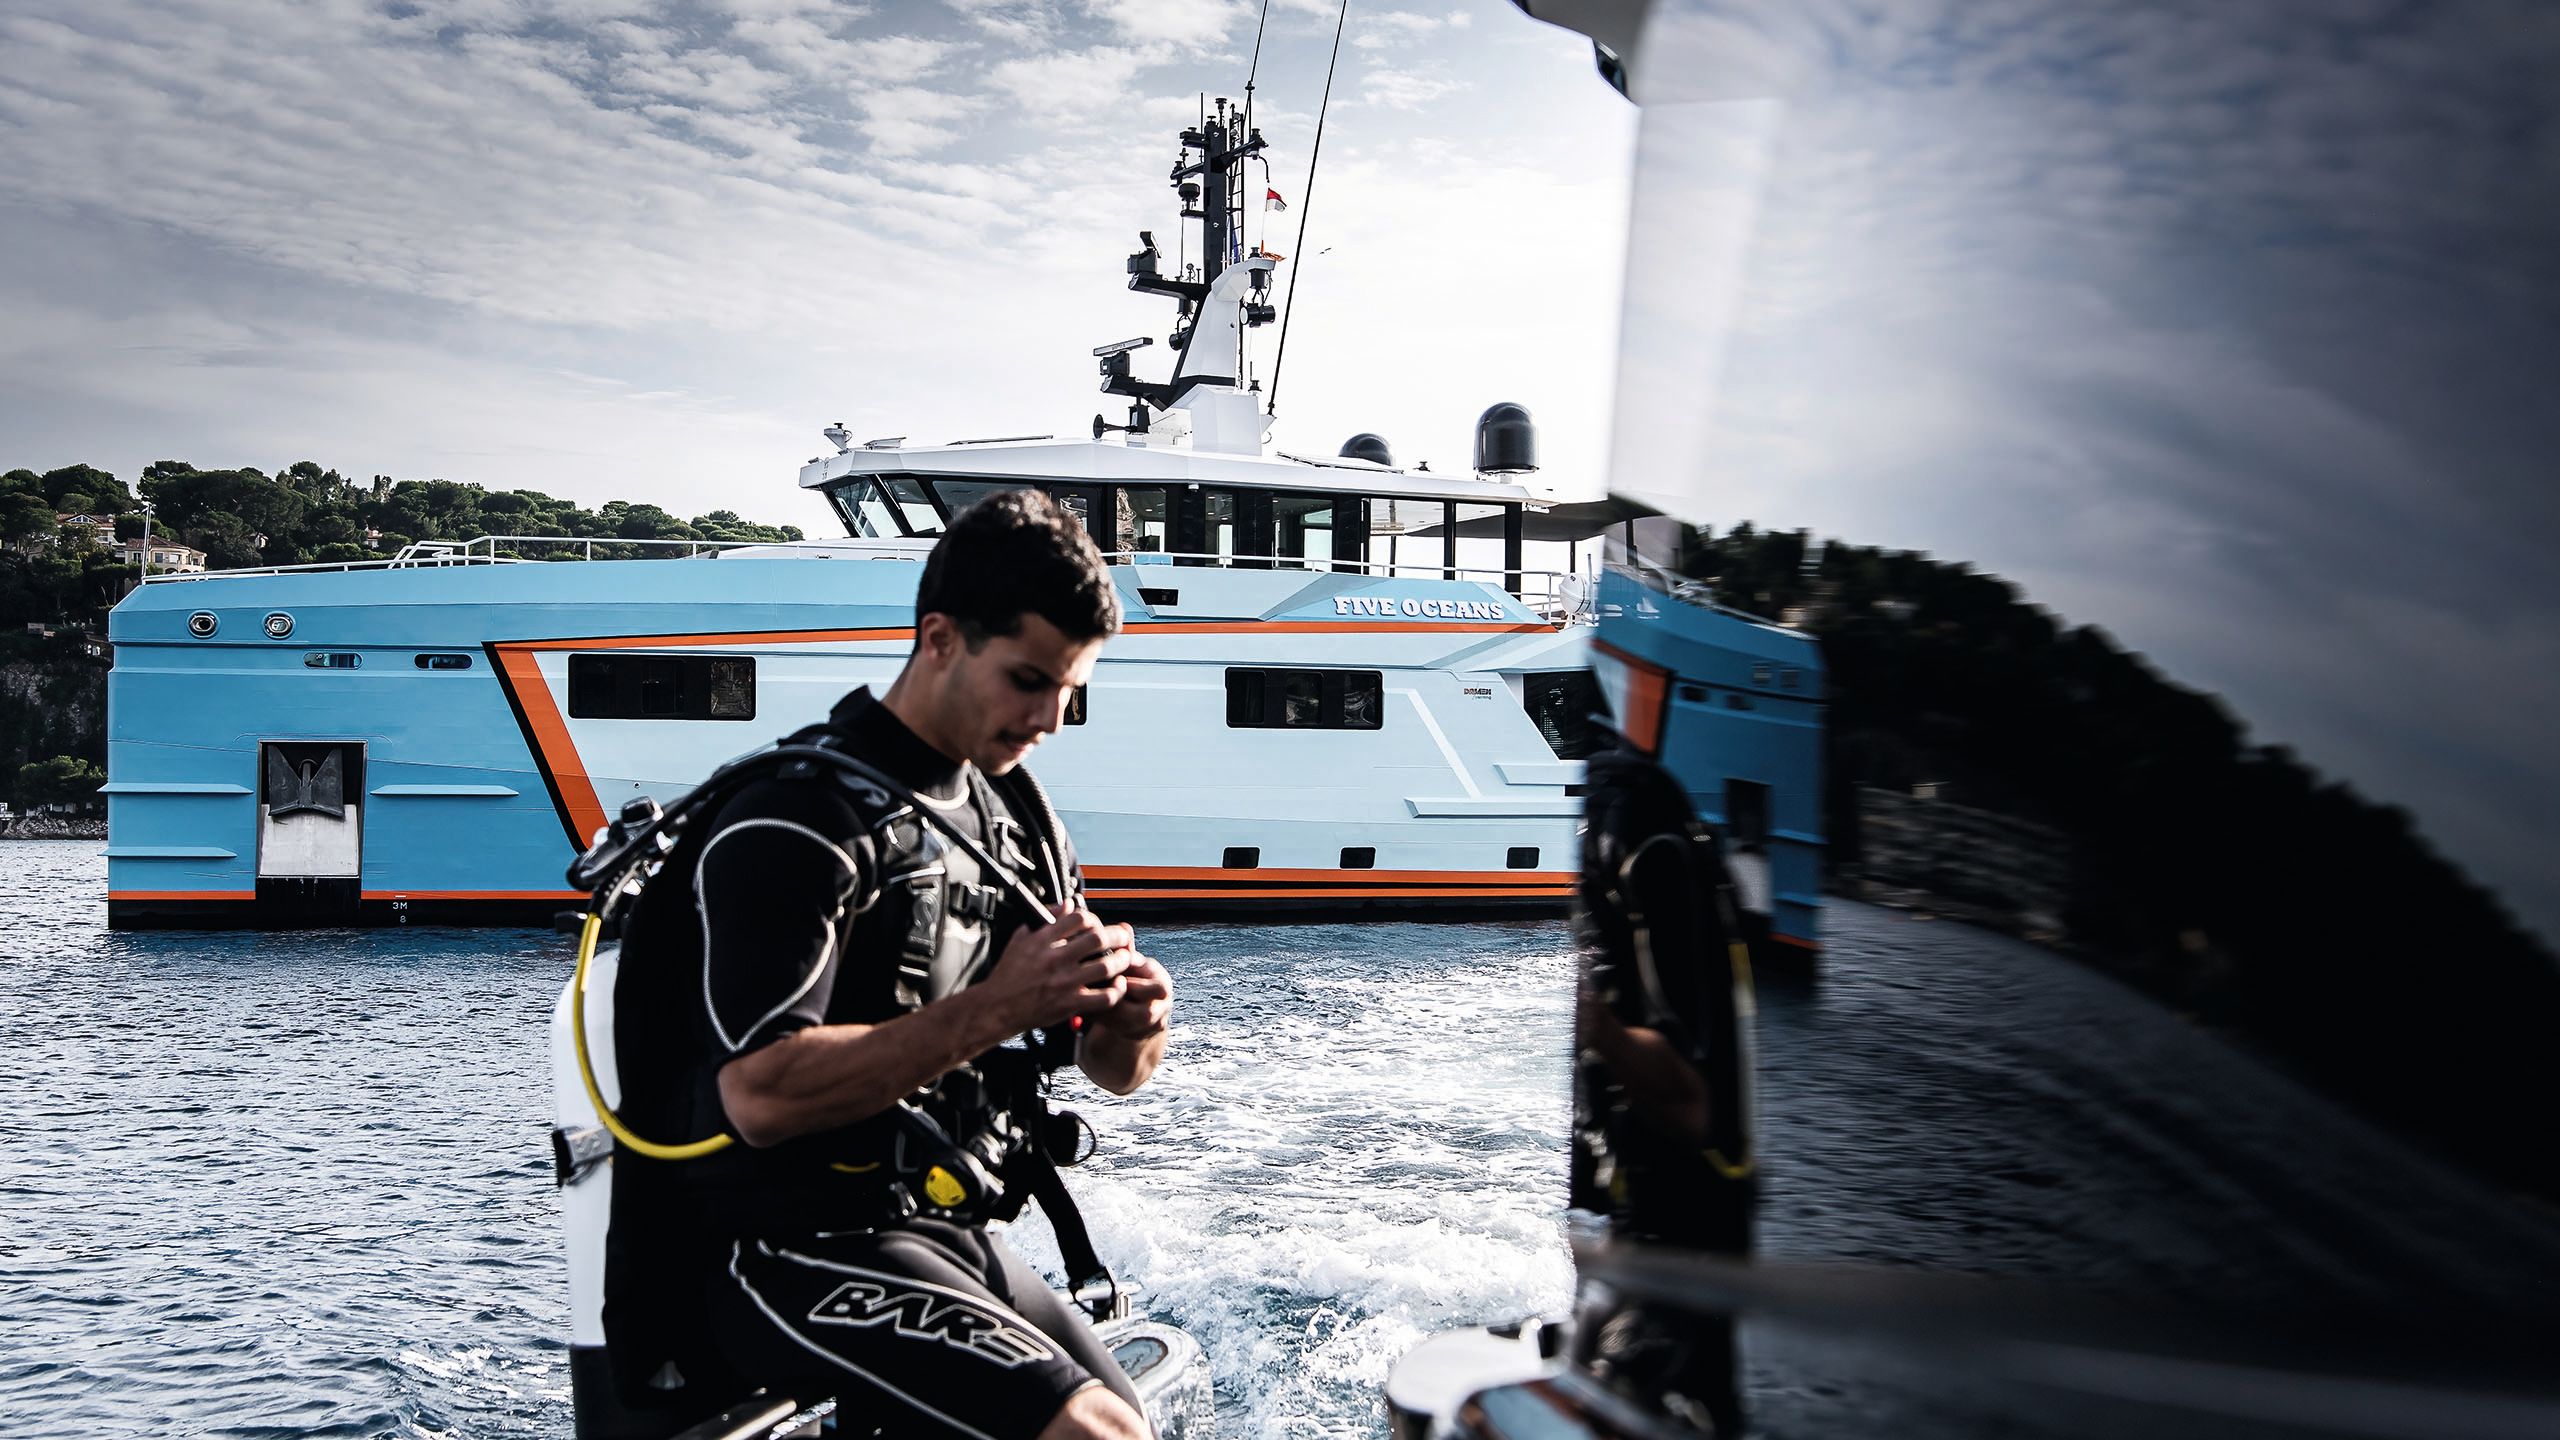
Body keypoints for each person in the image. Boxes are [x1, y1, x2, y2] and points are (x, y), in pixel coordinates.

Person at [609, 488, 1173, 1440]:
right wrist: (1001, 1006)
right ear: (940, 638)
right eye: (1028, 680)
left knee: (1130, 1424)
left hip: (937, 1228)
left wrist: (1136, 1024)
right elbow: (760, 1096)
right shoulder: (795, 820)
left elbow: (1113, 1072)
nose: (1049, 717)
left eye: (1070, 690)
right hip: (770, 1247)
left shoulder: (1019, 823)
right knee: (1093, 1436)